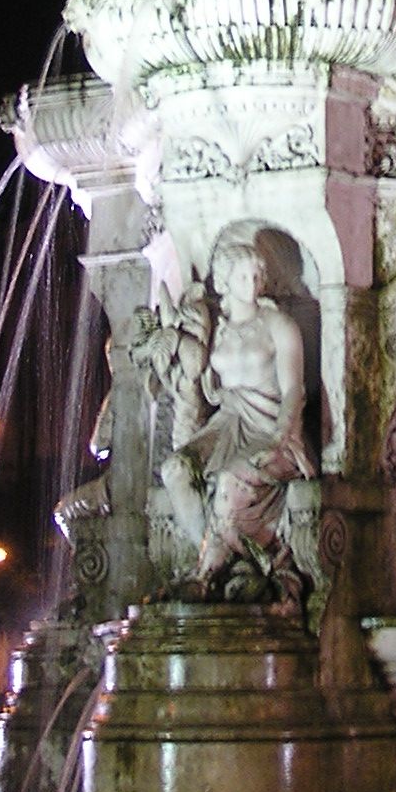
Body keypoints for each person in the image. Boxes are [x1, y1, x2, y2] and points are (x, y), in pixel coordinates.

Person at [158, 233, 315, 594]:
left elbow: (294, 390)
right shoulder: (216, 331)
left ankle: (208, 575)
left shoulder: (280, 325)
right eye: (244, 276)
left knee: (230, 481)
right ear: (225, 280)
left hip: (272, 426)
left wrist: (280, 438)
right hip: (227, 423)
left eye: (258, 275)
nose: (254, 283)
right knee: (175, 470)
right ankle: (223, 558)